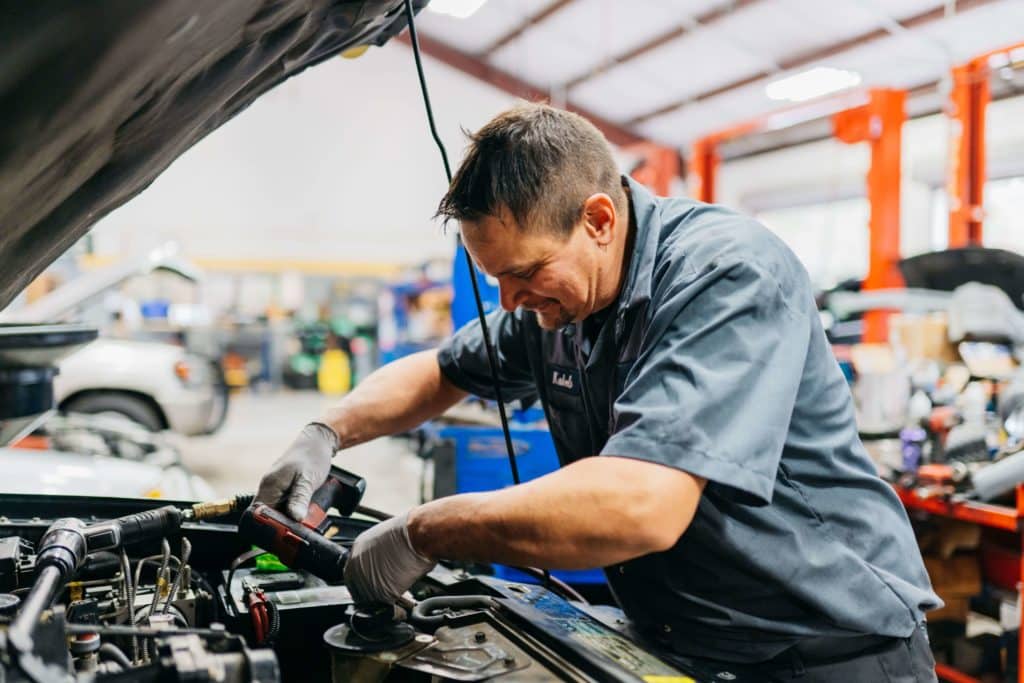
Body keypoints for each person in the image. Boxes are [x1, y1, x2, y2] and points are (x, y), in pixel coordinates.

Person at [256, 103, 940, 681]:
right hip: (684, 641)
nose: (511, 300)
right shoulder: (560, 302)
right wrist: (324, 433)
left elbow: (642, 506)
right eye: (495, 278)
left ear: (599, 220)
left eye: (524, 272)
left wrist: (424, 528)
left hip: (827, 648)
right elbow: (440, 369)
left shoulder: (726, 273)